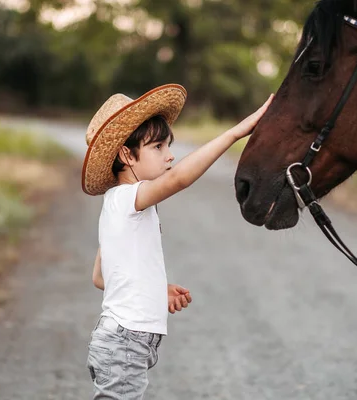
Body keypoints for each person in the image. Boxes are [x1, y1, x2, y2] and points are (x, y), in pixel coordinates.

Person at [82, 83, 273, 399]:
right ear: (126, 155)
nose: (170, 156)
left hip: (121, 342)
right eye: (158, 147)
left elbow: (100, 277)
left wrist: (158, 290)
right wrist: (236, 133)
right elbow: (180, 179)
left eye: (167, 146)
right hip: (124, 345)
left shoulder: (118, 205)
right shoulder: (128, 199)